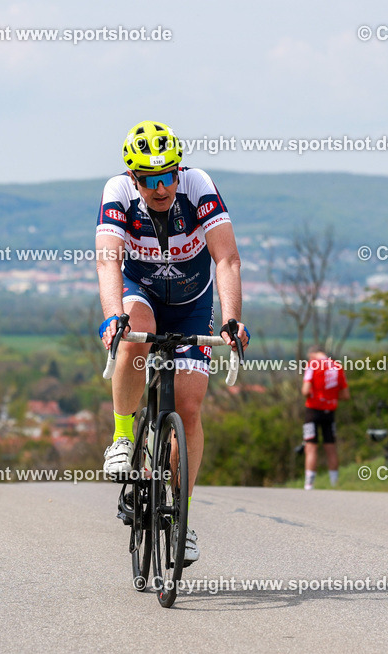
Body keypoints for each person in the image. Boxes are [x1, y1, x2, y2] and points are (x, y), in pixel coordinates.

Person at [97, 120, 249, 564]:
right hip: (140, 292)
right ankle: (124, 437)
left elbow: (227, 257)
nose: (162, 188)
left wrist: (233, 319)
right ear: (134, 179)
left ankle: (180, 513)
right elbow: (108, 259)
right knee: (132, 340)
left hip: (192, 302)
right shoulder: (118, 193)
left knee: (190, 406)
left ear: (178, 171)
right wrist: (113, 317)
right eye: (151, 180)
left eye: (168, 176)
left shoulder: (198, 186)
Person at [301, 346, 349, 490]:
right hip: (330, 411)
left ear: (312, 354)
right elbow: (346, 395)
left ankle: (309, 484)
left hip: (313, 411)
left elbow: (305, 390)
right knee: (331, 446)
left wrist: (315, 394)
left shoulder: (312, 364)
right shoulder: (337, 366)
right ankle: (335, 483)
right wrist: (331, 396)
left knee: (311, 447)